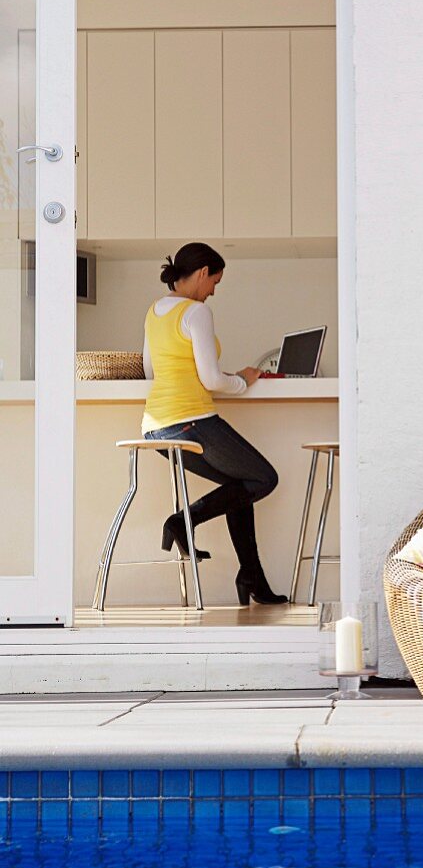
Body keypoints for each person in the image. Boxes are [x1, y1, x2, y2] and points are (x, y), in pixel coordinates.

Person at [141, 242, 287, 607]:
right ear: (203, 272)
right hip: (191, 421)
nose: (213, 292)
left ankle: (252, 577)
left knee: (240, 486)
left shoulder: (154, 311)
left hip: (157, 428)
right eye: (215, 282)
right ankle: (181, 522)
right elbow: (211, 380)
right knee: (264, 479)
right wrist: (243, 379)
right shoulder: (195, 312)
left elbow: (149, 370)